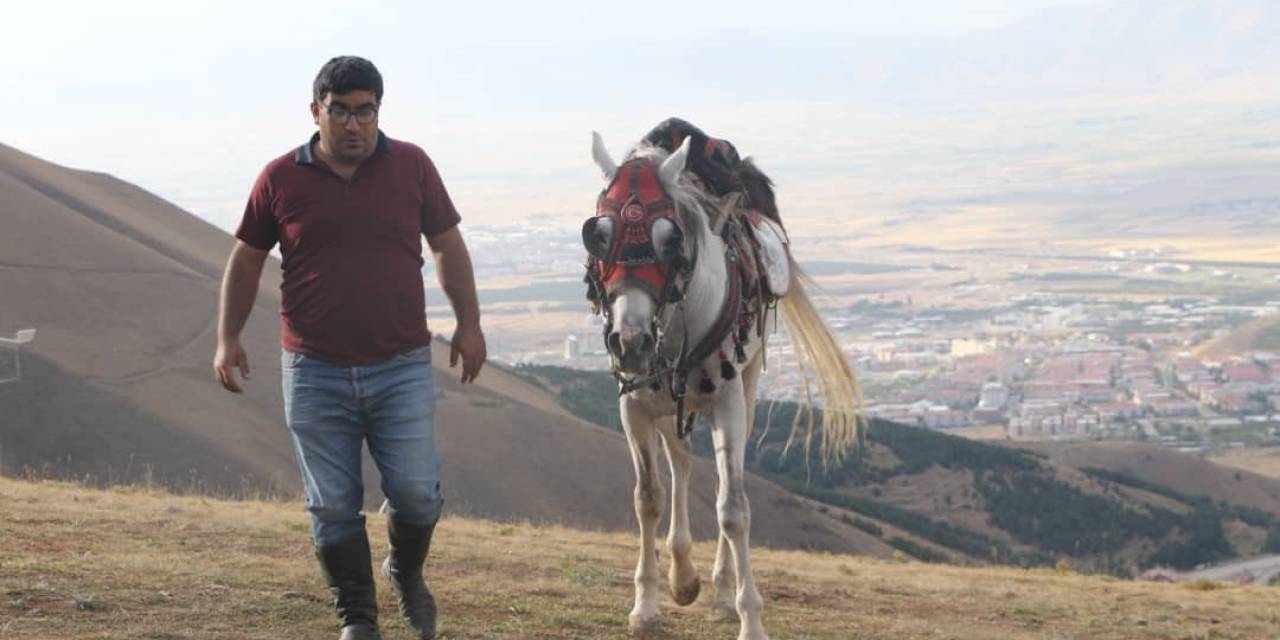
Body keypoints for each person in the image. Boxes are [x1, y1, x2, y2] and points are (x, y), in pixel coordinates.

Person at [213, 55, 485, 640]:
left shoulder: (411, 166)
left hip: (401, 366)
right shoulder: (280, 177)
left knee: (415, 492)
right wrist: (227, 336)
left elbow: (446, 245)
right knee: (333, 504)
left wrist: (469, 323)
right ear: (317, 112)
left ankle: (405, 574)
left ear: (378, 111)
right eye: (341, 111)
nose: (354, 124)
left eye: (366, 111)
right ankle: (357, 618)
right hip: (313, 370)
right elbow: (247, 258)